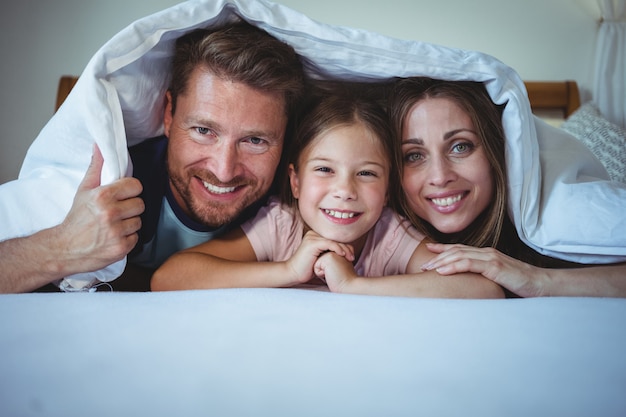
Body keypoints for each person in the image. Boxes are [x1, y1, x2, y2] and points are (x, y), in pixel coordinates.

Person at [0, 21, 305, 293]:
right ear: (169, 113)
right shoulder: (115, 179)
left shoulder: (293, 200)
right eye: (203, 130)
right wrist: (63, 246)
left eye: (255, 140)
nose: (224, 170)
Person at [151, 85, 504, 299]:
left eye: (366, 173)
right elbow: (169, 278)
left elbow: (482, 288)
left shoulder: (390, 233)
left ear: (387, 190)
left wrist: (354, 286)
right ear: (295, 181)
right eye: (324, 169)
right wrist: (288, 270)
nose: (344, 191)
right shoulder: (280, 225)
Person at [388, 77, 626, 298]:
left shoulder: (554, 230)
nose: (440, 177)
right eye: (414, 156)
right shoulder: (376, 230)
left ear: (499, 151)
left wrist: (537, 279)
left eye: (460, 147)